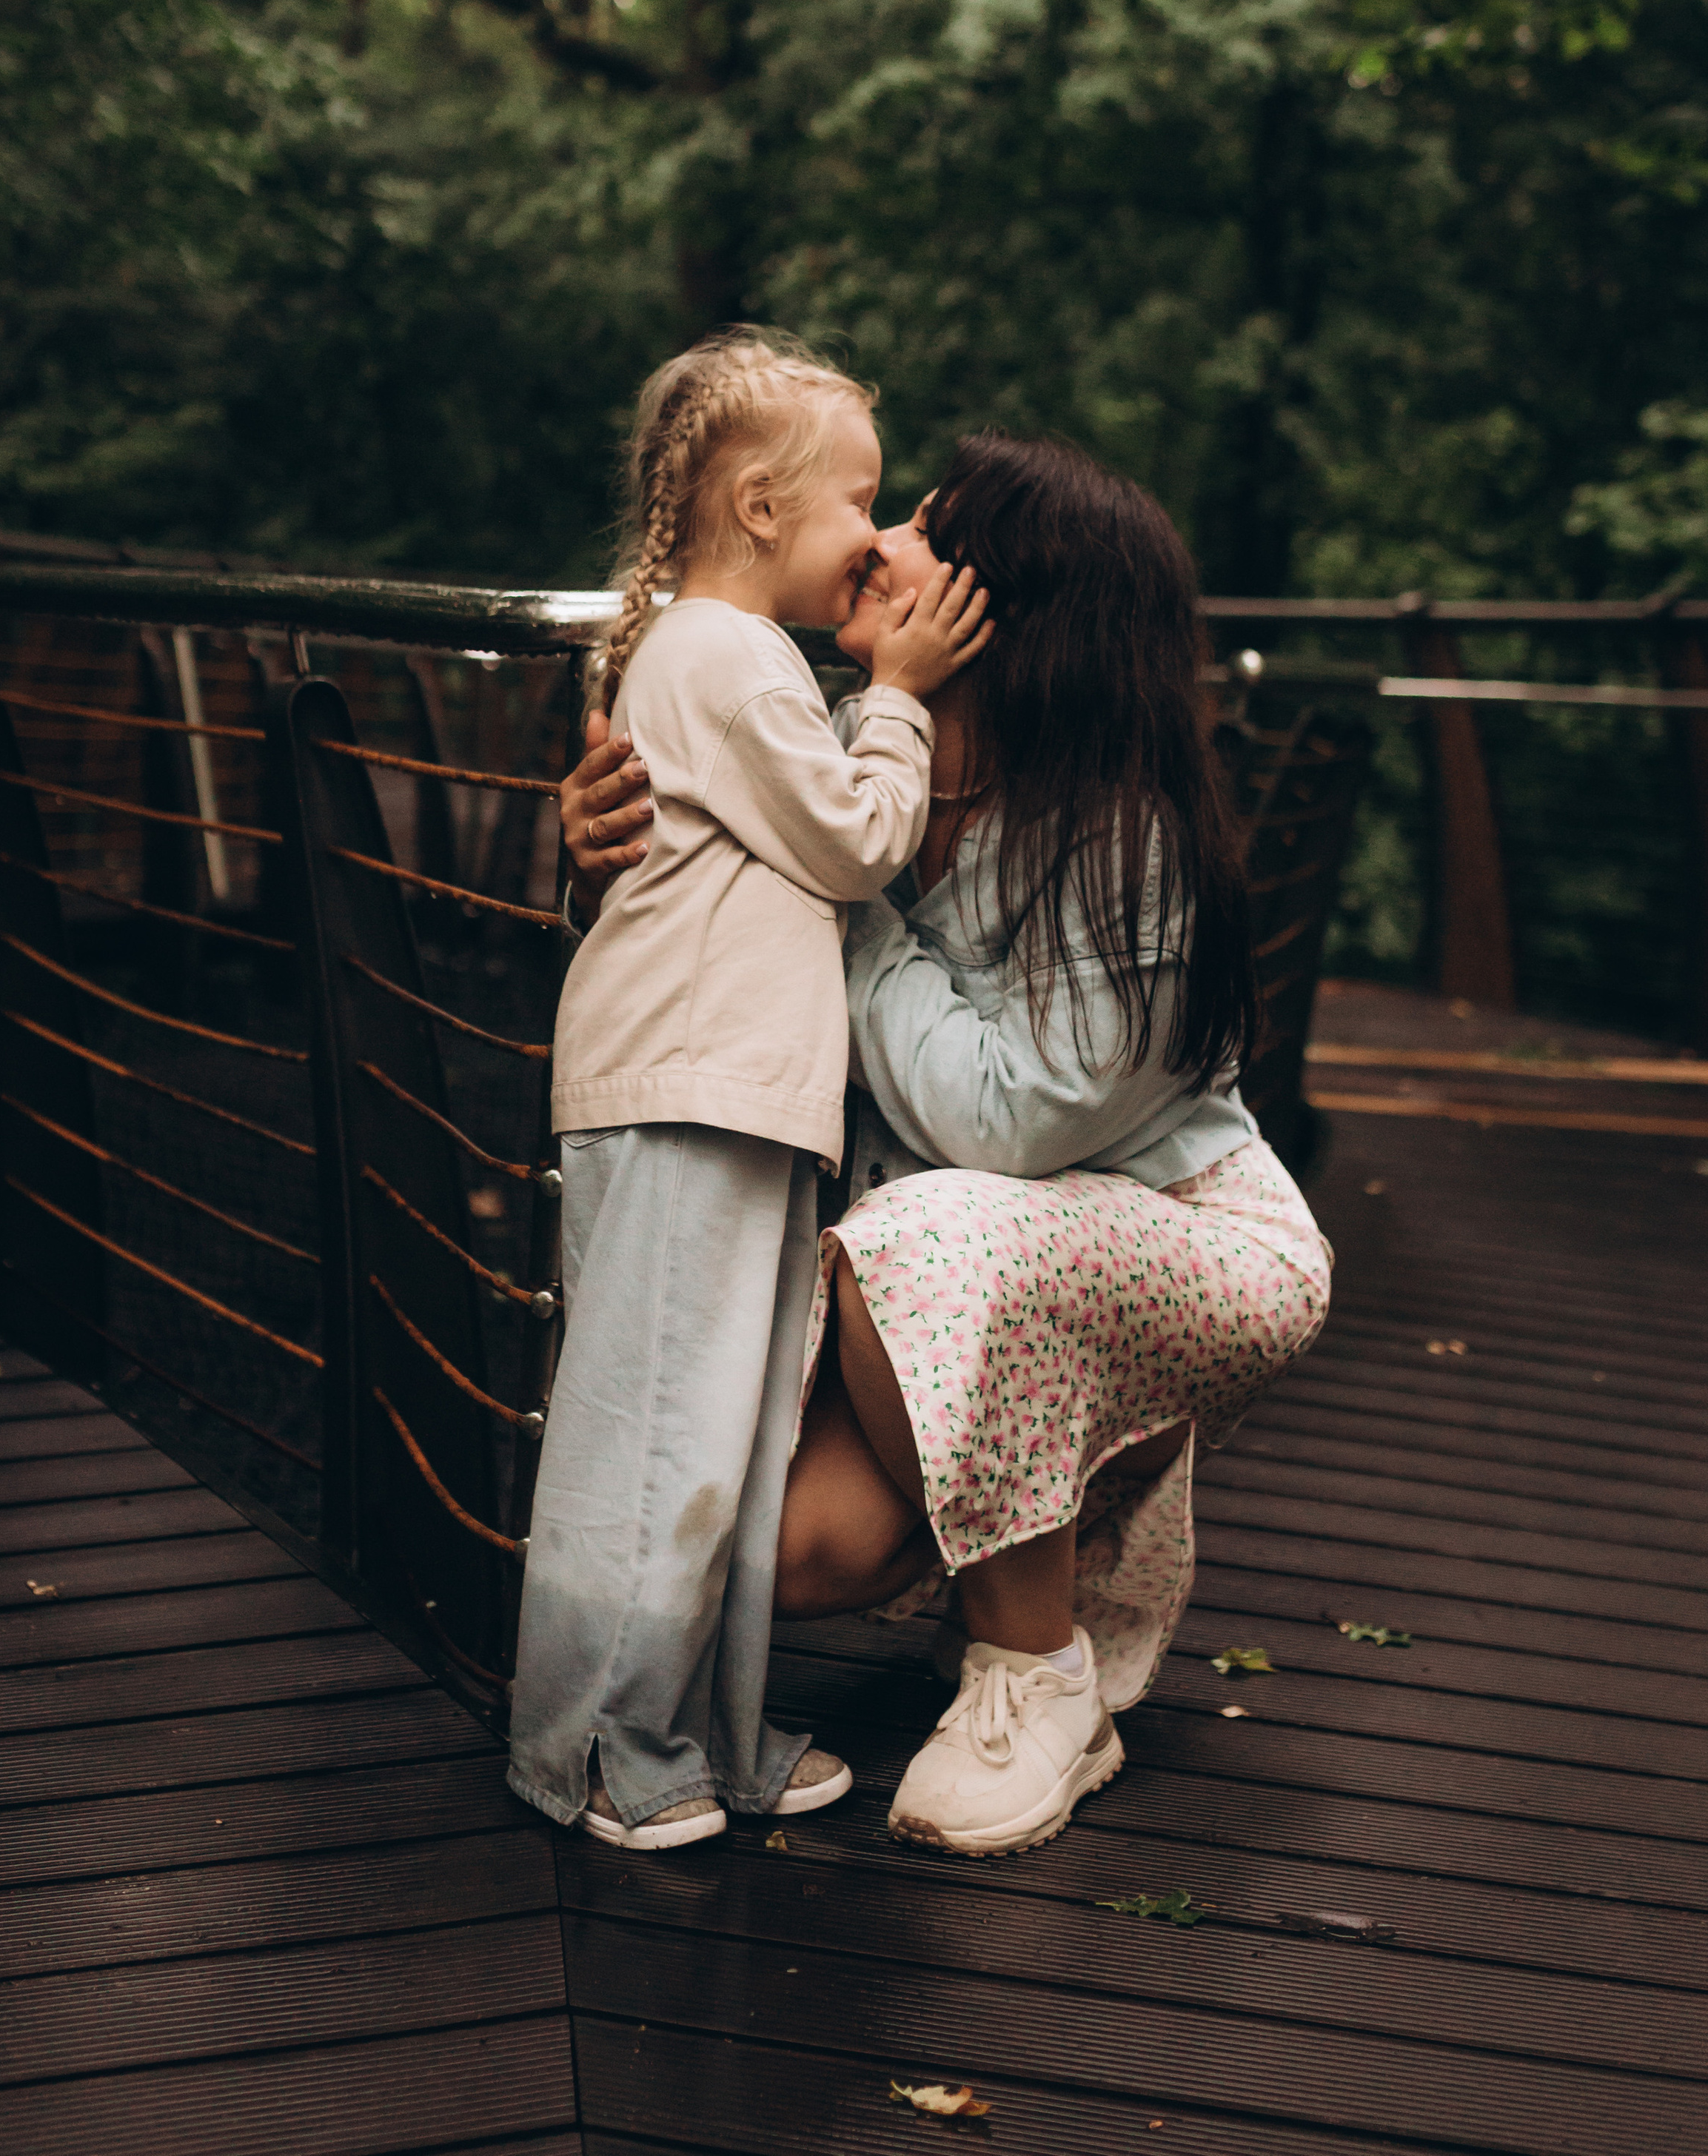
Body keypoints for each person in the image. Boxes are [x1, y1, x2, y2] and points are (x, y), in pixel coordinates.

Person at [562, 429, 1331, 1859]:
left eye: (920, 523)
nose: (878, 543)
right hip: (944, 1262)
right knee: (785, 1554)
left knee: (940, 1229)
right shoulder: (852, 751)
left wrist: (837, 894)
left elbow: (1005, 1121)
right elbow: (710, 937)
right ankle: (1050, 1518)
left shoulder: (1127, 842)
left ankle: (1036, 1676)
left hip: (1191, 1235)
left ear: (1001, 609)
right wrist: (612, 855)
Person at [507, 330, 991, 1853]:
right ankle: (592, 1748)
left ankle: (706, 1730)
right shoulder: (725, 657)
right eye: (858, 495)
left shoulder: (730, 661)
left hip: (742, 1095)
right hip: (686, 1094)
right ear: (764, 508)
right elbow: (855, 842)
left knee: (724, 1439)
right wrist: (902, 694)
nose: (874, 531)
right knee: (655, 1432)